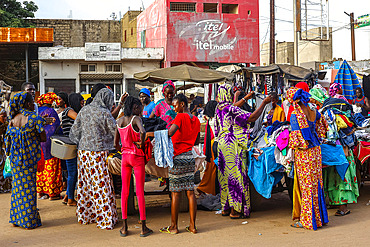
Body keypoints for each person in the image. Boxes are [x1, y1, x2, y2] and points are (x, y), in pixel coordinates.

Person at [215, 84, 271, 219]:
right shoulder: (230, 109)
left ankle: (226, 208)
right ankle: (236, 210)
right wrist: (263, 103)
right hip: (233, 146)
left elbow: (233, 107)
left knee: (225, 176)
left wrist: (245, 98)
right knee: (237, 177)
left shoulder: (220, 108)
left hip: (222, 145)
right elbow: (251, 118)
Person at [69, 88, 118, 230]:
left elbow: (75, 131)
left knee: (85, 184)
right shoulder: (105, 112)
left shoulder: (84, 110)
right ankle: (105, 219)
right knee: (101, 185)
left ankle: (86, 216)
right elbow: (114, 132)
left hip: (83, 153)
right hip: (98, 153)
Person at [287, 87, 329, 230]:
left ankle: (307, 220)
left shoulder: (295, 115)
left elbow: (297, 140)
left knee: (306, 187)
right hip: (316, 151)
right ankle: (319, 219)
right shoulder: (313, 111)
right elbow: (323, 125)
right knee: (316, 184)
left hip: (305, 153)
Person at [159, 94, 200, 234]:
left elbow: (169, 133)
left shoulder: (180, 117)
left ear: (182, 104)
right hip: (189, 157)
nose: (174, 108)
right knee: (190, 192)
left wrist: (152, 134)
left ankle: (174, 227)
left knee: (175, 194)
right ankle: (193, 226)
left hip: (177, 157)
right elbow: (195, 141)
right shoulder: (196, 120)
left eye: (176, 105)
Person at [5, 92, 46, 229]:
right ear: (28, 104)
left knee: (17, 189)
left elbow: (8, 143)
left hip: (16, 161)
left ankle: (16, 219)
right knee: (29, 189)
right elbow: (43, 138)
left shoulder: (12, 120)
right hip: (29, 160)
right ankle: (29, 221)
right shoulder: (34, 118)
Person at [114, 96, 153, 237]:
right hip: (137, 157)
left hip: (125, 157)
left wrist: (124, 149)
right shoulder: (136, 119)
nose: (141, 110)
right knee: (140, 192)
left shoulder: (119, 121)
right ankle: (143, 227)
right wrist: (141, 144)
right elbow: (142, 132)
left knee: (124, 192)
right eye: (140, 107)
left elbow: (115, 144)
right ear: (135, 107)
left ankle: (124, 227)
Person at [36, 92, 63, 200]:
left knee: (40, 167)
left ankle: (41, 192)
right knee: (52, 166)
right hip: (50, 143)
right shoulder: (51, 111)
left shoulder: (37, 111)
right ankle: (52, 193)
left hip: (39, 143)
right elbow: (55, 127)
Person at [61, 93, 84, 206]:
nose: (82, 104)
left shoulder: (69, 110)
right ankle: (70, 199)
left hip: (72, 144)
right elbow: (80, 119)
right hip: (70, 145)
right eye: (81, 102)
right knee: (72, 172)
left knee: (72, 172)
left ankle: (67, 196)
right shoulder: (69, 110)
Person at [197, 100, 218, 195]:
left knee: (210, 168)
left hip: (211, 144)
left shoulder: (210, 120)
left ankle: (205, 187)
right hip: (215, 143)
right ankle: (205, 187)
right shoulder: (216, 119)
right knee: (213, 168)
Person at [0, 108, 11, 193]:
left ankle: (4, 187)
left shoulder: (5, 125)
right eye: (3, 116)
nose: (5, 118)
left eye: (5, 116)